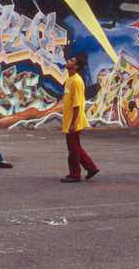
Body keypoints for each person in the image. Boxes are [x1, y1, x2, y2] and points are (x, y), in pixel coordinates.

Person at [60, 52, 99, 183]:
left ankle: (75, 174)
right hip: (70, 120)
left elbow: (77, 105)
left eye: (71, 60)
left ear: (75, 67)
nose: (68, 61)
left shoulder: (76, 81)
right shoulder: (70, 80)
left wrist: (73, 123)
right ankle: (91, 168)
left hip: (74, 121)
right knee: (75, 147)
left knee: (73, 150)